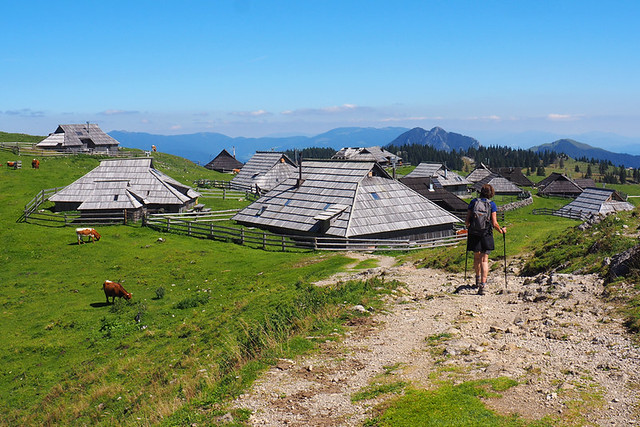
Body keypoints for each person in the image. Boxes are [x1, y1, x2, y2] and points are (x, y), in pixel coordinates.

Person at [465, 184, 506, 295]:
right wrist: (501, 230)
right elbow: (494, 223)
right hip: (486, 234)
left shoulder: (473, 202)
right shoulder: (491, 205)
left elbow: (467, 221)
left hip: (474, 233)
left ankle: (477, 279)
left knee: (476, 256)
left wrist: (470, 227)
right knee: (484, 260)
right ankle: (483, 285)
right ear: (491, 193)